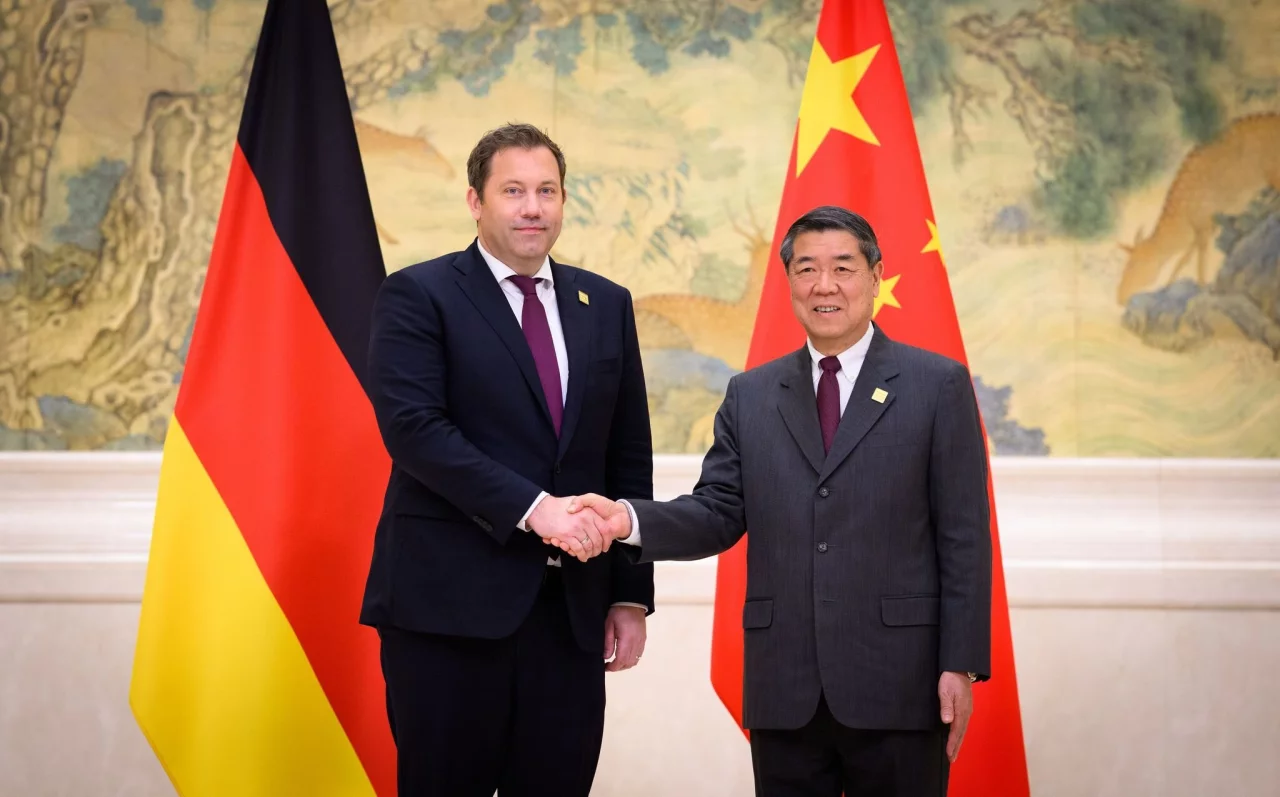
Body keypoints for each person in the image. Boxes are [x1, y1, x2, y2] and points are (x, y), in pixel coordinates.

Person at [553, 206, 992, 797]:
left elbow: (964, 537)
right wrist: (627, 519)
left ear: (876, 277)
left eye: (843, 267)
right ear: (789, 282)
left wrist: (960, 662)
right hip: (786, 686)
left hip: (901, 682)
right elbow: (716, 511)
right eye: (806, 269)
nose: (824, 285)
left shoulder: (937, 385)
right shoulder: (752, 394)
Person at [359, 122, 655, 797]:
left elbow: (626, 452)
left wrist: (630, 593)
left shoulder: (605, 303)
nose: (532, 208)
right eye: (513, 190)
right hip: (448, 612)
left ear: (563, 200)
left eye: (546, 191)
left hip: (570, 616)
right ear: (476, 201)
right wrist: (534, 509)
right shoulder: (419, 295)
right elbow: (414, 430)